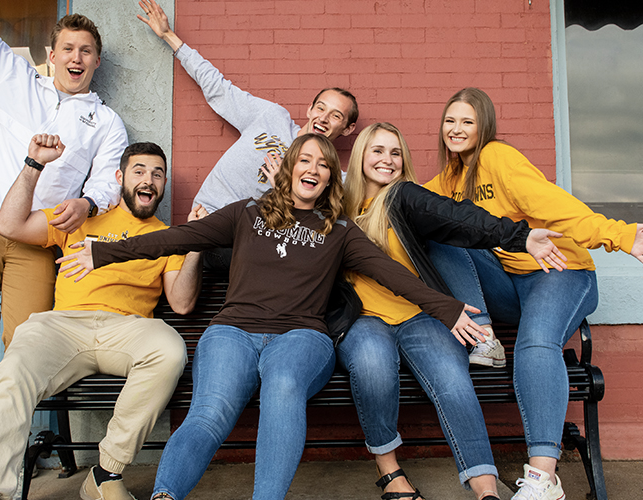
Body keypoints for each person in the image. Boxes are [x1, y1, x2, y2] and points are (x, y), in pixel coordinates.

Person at [57, 134, 489, 500]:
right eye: (305, 160)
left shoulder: (338, 230)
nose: (314, 168)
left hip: (301, 337)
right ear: (288, 168)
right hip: (233, 332)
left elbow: (393, 274)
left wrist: (448, 309)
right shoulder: (247, 212)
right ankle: (166, 494)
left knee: (283, 387)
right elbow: (176, 238)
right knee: (209, 411)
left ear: (329, 179)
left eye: (324, 164)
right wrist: (103, 252)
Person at [0, 136, 202, 500]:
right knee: (14, 369)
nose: (149, 180)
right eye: (139, 171)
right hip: (64, 326)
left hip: (127, 330)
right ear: (120, 176)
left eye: (158, 174)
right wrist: (33, 165)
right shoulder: (81, 217)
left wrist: (195, 241)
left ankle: (105, 473)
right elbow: (8, 225)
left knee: (169, 350)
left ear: (163, 185)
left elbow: (180, 304)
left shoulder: (166, 237)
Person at [425, 87, 643, 500]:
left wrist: (621, 234)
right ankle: (485, 336)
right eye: (450, 121)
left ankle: (544, 479)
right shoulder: (448, 181)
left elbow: (555, 204)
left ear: (483, 126)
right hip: (509, 286)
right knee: (435, 225)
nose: (456, 129)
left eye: (467, 121)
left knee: (536, 343)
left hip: (558, 272)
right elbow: (397, 200)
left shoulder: (499, 158)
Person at [0, 0, 128, 474]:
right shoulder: (9, 77)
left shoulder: (105, 121)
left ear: (97, 61)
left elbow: (108, 179)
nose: (77, 57)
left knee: (24, 345)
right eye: (69, 47)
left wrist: (89, 203)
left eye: (87, 51)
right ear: (51, 53)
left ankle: (3, 445)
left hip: (38, 237)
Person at [340, 122, 567, 500]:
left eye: (396, 153)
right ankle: (390, 473)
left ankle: (486, 489)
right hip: (363, 320)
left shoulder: (405, 197)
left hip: (419, 315)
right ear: (360, 154)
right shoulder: (337, 207)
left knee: (453, 382)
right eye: (378, 150)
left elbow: (459, 217)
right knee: (372, 367)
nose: (388, 160)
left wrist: (520, 236)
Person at [136, 0, 358, 270]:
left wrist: (284, 189)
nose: (323, 117)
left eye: (335, 115)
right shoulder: (271, 117)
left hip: (251, 245)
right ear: (309, 109)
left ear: (347, 129)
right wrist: (169, 36)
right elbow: (219, 89)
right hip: (207, 219)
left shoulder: (331, 174)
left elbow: (314, 230)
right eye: (320, 108)